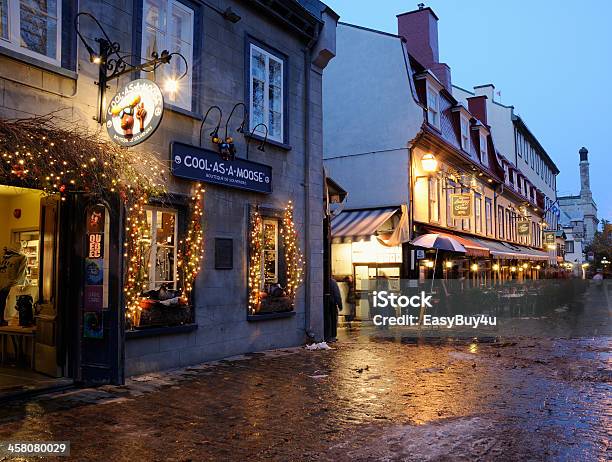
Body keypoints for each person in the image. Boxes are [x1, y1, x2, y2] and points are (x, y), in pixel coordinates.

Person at [328, 277, 342, 341]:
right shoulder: (332, 282)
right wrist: (340, 304)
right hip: (332, 304)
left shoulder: (321, 281)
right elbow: (337, 294)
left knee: (328, 319)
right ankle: (332, 336)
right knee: (333, 319)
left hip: (324, 304)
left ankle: (328, 335)